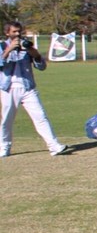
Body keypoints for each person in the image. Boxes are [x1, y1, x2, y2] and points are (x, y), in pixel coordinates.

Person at [1, 21, 68, 157]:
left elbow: (41, 66)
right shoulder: (2, 46)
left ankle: (54, 146)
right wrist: (9, 50)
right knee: (7, 120)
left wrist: (34, 54)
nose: (17, 34)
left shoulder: (26, 45)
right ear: (7, 33)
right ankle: (4, 147)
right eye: (14, 32)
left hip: (28, 87)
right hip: (8, 88)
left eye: (19, 31)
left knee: (40, 116)